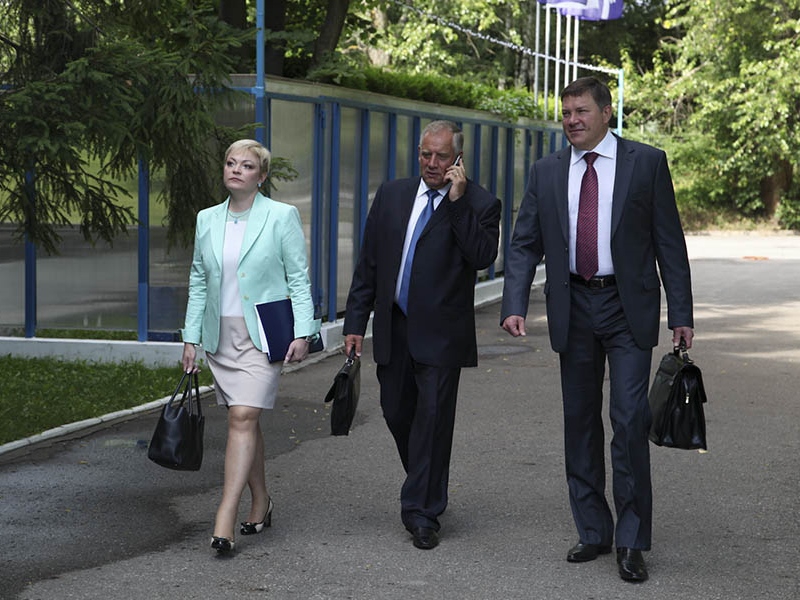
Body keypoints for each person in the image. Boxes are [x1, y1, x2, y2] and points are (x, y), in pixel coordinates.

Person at [500, 77, 694, 582]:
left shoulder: (645, 163)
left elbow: (669, 242)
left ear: (606, 113)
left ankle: (632, 540)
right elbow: (524, 243)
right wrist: (514, 303)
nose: (572, 120)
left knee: (628, 421)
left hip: (627, 306)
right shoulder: (546, 171)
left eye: (581, 111)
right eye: (566, 113)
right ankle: (592, 530)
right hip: (573, 305)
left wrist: (681, 314)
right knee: (580, 421)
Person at [343, 120, 501, 550]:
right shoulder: (392, 195)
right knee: (397, 413)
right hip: (394, 326)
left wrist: (457, 202)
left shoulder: (480, 202)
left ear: (458, 159)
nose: (432, 163)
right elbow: (370, 263)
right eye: (425, 154)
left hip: (442, 334)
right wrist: (355, 322)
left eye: (441, 157)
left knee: (432, 421)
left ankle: (422, 512)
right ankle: (426, 481)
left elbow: (482, 255)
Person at [180, 139, 320, 554]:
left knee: (242, 416)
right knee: (245, 421)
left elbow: (298, 278)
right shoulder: (207, 219)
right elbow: (199, 280)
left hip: (261, 335)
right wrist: (190, 337)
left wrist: (303, 331)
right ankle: (261, 500)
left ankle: (224, 515)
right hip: (220, 337)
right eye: (230, 163)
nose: (236, 170)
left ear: (261, 176)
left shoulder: (281, 216)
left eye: (246, 165)